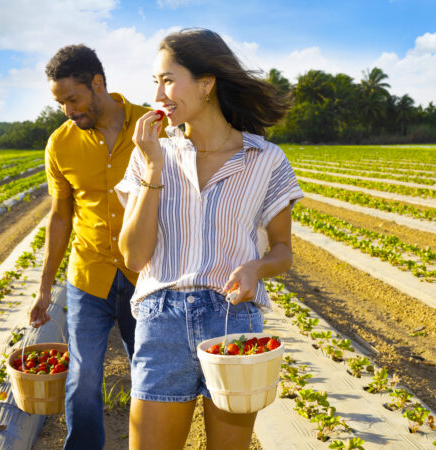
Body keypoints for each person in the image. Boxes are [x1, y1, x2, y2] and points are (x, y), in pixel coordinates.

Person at [115, 28, 303, 449]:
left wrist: (256, 266)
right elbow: (133, 255)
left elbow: (283, 251)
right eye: (155, 82)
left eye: (168, 79)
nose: (158, 94)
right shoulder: (149, 156)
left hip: (233, 321)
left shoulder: (266, 159)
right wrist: (154, 170)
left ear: (206, 83)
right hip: (161, 320)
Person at [29, 44, 151, 449]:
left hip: (147, 275)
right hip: (88, 274)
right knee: (82, 378)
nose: (67, 109)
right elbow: (60, 217)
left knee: (150, 377)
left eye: (72, 98)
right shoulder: (60, 143)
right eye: (59, 102)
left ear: (97, 83)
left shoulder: (153, 128)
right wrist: (45, 287)